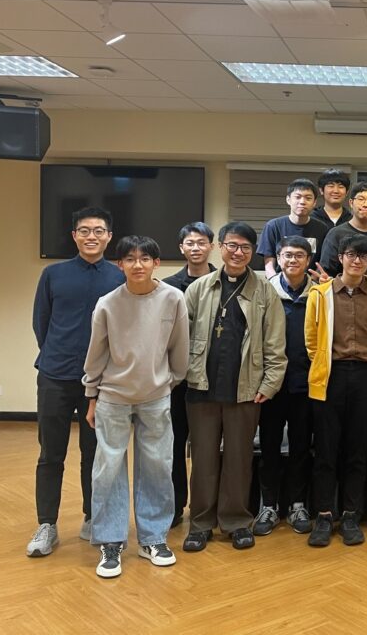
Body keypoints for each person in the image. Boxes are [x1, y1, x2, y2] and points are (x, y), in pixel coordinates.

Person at [82, 235, 189, 578]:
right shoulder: (107, 303)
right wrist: (91, 395)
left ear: (157, 263)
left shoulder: (173, 298)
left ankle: (153, 538)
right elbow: (96, 352)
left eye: (145, 259)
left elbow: (180, 347)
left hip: (156, 395)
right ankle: (110, 542)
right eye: (130, 259)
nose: (138, 265)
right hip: (113, 396)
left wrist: (169, 381)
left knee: (158, 466)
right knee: (108, 469)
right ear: (120, 265)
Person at [181, 222, 287, 553]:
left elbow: (275, 344)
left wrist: (270, 384)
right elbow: (180, 338)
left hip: (246, 389)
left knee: (239, 460)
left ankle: (236, 522)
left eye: (245, 247)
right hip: (201, 387)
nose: (237, 252)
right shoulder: (199, 288)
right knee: (203, 459)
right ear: (220, 248)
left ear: (253, 252)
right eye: (232, 245)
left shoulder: (265, 291)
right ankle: (200, 523)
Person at [28, 207, 125, 558]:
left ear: (109, 236)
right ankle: (47, 525)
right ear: (74, 236)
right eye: (84, 230)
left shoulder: (119, 277)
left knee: (95, 454)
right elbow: (41, 323)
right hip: (55, 375)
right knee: (50, 454)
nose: (91, 236)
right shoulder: (53, 274)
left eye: (99, 231)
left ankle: (92, 517)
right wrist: (58, 352)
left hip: (101, 383)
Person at [305, 235, 367, 547]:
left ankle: (351, 515)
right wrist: (324, 366)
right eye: (352, 255)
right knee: (326, 450)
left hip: (366, 377)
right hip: (330, 377)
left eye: (363, 256)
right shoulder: (320, 294)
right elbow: (311, 340)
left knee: (357, 450)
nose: (357, 261)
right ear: (340, 257)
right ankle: (324, 515)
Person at [252, 236, 317, 538]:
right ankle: (268, 505)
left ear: (308, 260)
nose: (293, 260)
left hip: (305, 385)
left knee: (301, 448)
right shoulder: (264, 292)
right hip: (271, 386)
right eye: (287, 255)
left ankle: (297, 505)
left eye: (299, 255)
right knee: (269, 447)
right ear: (277, 259)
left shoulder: (319, 295)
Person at [162, 221, 216, 528]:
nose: (196, 248)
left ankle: (205, 506)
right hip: (176, 381)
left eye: (201, 242)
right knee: (174, 445)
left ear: (212, 246)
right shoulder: (168, 287)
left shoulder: (225, 281)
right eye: (190, 243)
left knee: (208, 447)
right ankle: (174, 505)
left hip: (213, 379)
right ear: (181, 248)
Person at [318, 181, 367, 283]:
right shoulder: (336, 234)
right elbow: (327, 271)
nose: (366, 205)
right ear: (351, 203)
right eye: (361, 199)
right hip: (344, 292)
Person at [257, 179, 330, 277]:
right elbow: (269, 265)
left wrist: (312, 282)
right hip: (278, 282)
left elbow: (322, 261)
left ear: (314, 202)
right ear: (288, 199)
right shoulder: (273, 226)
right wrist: (274, 282)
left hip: (311, 282)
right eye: (298, 197)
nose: (302, 202)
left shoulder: (322, 229)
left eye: (308, 198)